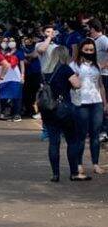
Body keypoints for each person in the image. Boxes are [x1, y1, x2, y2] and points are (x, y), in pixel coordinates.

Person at [39, 46, 82, 181]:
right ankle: (74, 172)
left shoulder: (46, 70)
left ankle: (55, 174)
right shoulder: (65, 68)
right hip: (63, 108)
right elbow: (77, 84)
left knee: (53, 142)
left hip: (48, 109)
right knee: (72, 140)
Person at [69, 38, 107, 177]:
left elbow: (100, 85)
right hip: (81, 103)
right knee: (81, 135)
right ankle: (79, 164)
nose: (89, 52)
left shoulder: (96, 65)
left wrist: (105, 103)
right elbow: (71, 84)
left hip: (96, 102)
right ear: (81, 50)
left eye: (91, 50)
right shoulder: (74, 65)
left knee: (95, 135)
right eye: (86, 50)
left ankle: (95, 164)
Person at [0, 38, 24, 120]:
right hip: (2, 76)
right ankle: (3, 113)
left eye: (8, 41)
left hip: (15, 77)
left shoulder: (18, 52)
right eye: (4, 41)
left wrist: (22, 76)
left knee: (16, 95)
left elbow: (22, 65)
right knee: (3, 95)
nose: (6, 43)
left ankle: (17, 114)